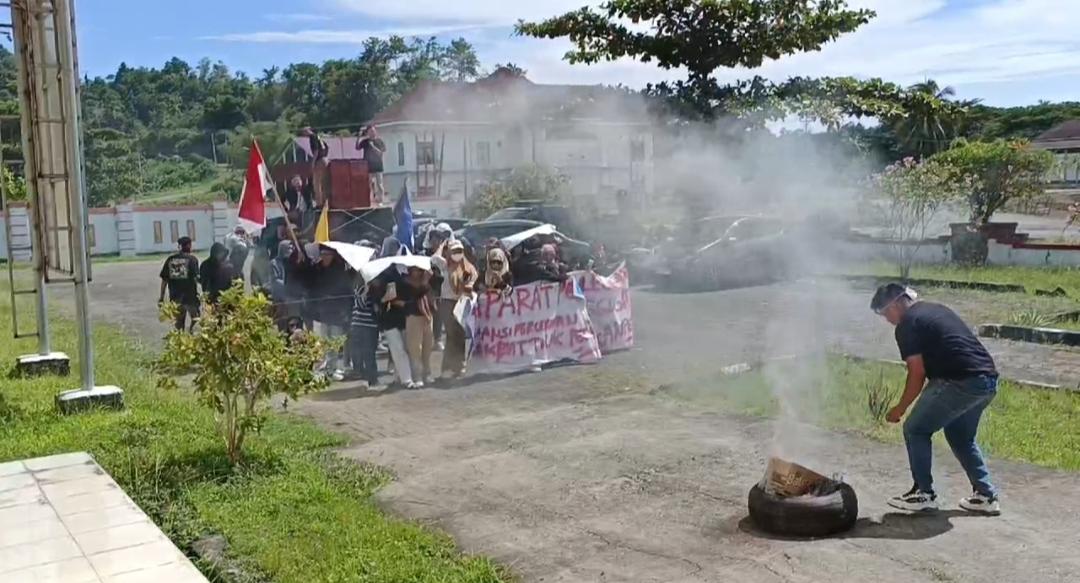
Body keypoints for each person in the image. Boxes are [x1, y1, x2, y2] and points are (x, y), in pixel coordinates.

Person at [871, 283, 1001, 516]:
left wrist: (900, 408)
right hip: (987, 380)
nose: (887, 320)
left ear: (897, 303)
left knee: (916, 429)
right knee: (960, 436)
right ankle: (986, 496)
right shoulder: (935, 309)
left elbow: (917, 372)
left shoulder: (907, 323)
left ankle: (923, 493)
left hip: (958, 381)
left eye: (885, 313)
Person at [431, 240, 477, 379]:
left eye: (459, 251)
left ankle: (459, 366)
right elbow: (433, 259)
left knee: (460, 334)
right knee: (452, 334)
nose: (456, 254)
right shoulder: (445, 265)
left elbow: (471, 283)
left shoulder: (468, 268)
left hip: (461, 303)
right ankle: (449, 367)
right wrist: (440, 246)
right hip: (447, 303)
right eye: (454, 251)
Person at [377, 273, 415, 388]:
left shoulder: (408, 275)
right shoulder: (383, 276)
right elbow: (376, 300)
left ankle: (399, 377)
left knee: (405, 349)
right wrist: (384, 299)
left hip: (405, 318)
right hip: (389, 320)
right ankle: (407, 379)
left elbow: (415, 298)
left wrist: (402, 303)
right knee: (398, 349)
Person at [158, 236, 200, 331]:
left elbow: (164, 280)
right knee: (197, 319)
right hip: (190, 298)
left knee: (179, 324)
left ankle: (181, 341)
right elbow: (196, 278)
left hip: (175, 298)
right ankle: (191, 332)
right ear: (189, 245)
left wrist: (161, 297)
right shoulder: (192, 259)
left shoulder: (171, 260)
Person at [402, 266, 435, 386]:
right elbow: (416, 294)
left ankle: (427, 373)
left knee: (428, 346)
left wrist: (429, 278)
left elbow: (431, 293)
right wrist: (425, 282)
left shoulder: (426, 280)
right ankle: (417, 376)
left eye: (420, 269)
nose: (419, 271)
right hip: (413, 317)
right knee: (415, 349)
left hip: (427, 317)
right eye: (416, 269)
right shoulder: (405, 282)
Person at [348, 275, 381, 386]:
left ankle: (373, 378)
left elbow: (378, 309)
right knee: (359, 352)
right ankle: (362, 375)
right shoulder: (360, 289)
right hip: (359, 325)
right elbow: (360, 304)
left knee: (370, 353)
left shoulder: (378, 291)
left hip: (372, 326)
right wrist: (366, 291)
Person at [356, 125, 386, 204]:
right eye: (370, 132)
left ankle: (381, 200)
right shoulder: (365, 141)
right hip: (368, 167)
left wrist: (373, 147)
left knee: (380, 184)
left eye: (373, 131)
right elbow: (357, 147)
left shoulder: (379, 141)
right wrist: (359, 137)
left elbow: (381, 153)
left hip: (378, 166)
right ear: (368, 133)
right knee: (369, 184)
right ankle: (370, 200)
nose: (372, 133)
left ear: (375, 131)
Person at [301, 127, 330, 207]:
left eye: (305, 131)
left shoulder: (312, 137)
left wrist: (313, 163)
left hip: (320, 161)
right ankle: (326, 201)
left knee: (316, 183)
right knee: (324, 182)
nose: (304, 133)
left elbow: (316, 151)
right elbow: (327, 147)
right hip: (325, 159)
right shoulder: (318, 136)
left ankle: (319, 204)